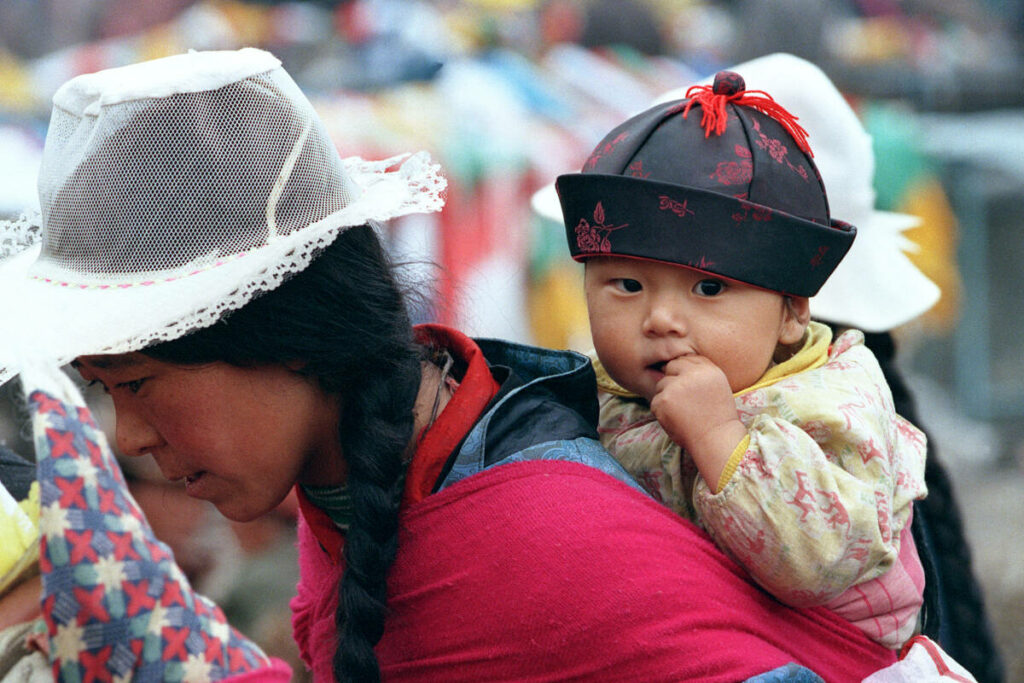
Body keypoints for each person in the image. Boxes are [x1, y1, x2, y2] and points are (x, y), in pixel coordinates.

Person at [0, 48, 902, 682]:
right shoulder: (379, 478)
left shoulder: (530, 535)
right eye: (106, 392)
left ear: (292, 336)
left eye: (142, 384)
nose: (133, 437)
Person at [555, 67, 929, 650]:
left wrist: (722, 439)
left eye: (708, 290)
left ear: (791, 314)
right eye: (627, 285)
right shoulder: (596, 393)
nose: (660, 320)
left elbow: (820, 562)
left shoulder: (830, 405)